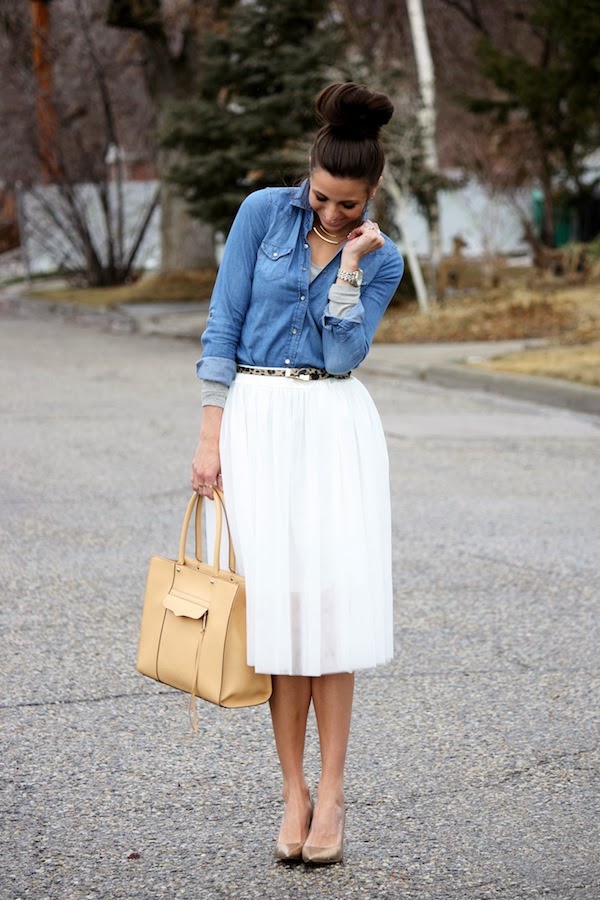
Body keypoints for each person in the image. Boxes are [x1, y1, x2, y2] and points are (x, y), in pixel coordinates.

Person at [191, 82, 404, 865]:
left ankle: (335, 796)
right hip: (255, 421)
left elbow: (345, 355)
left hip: (332, 426)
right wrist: (211, 435)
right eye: (322, 198)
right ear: (308, 175)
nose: (332, 214)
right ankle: (292, 793)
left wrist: (349, 268)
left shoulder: (384, 259)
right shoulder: (259, 214)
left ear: (371, 194)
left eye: (350, 206)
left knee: (330, 618)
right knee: (278, 622)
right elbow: (222, 321)